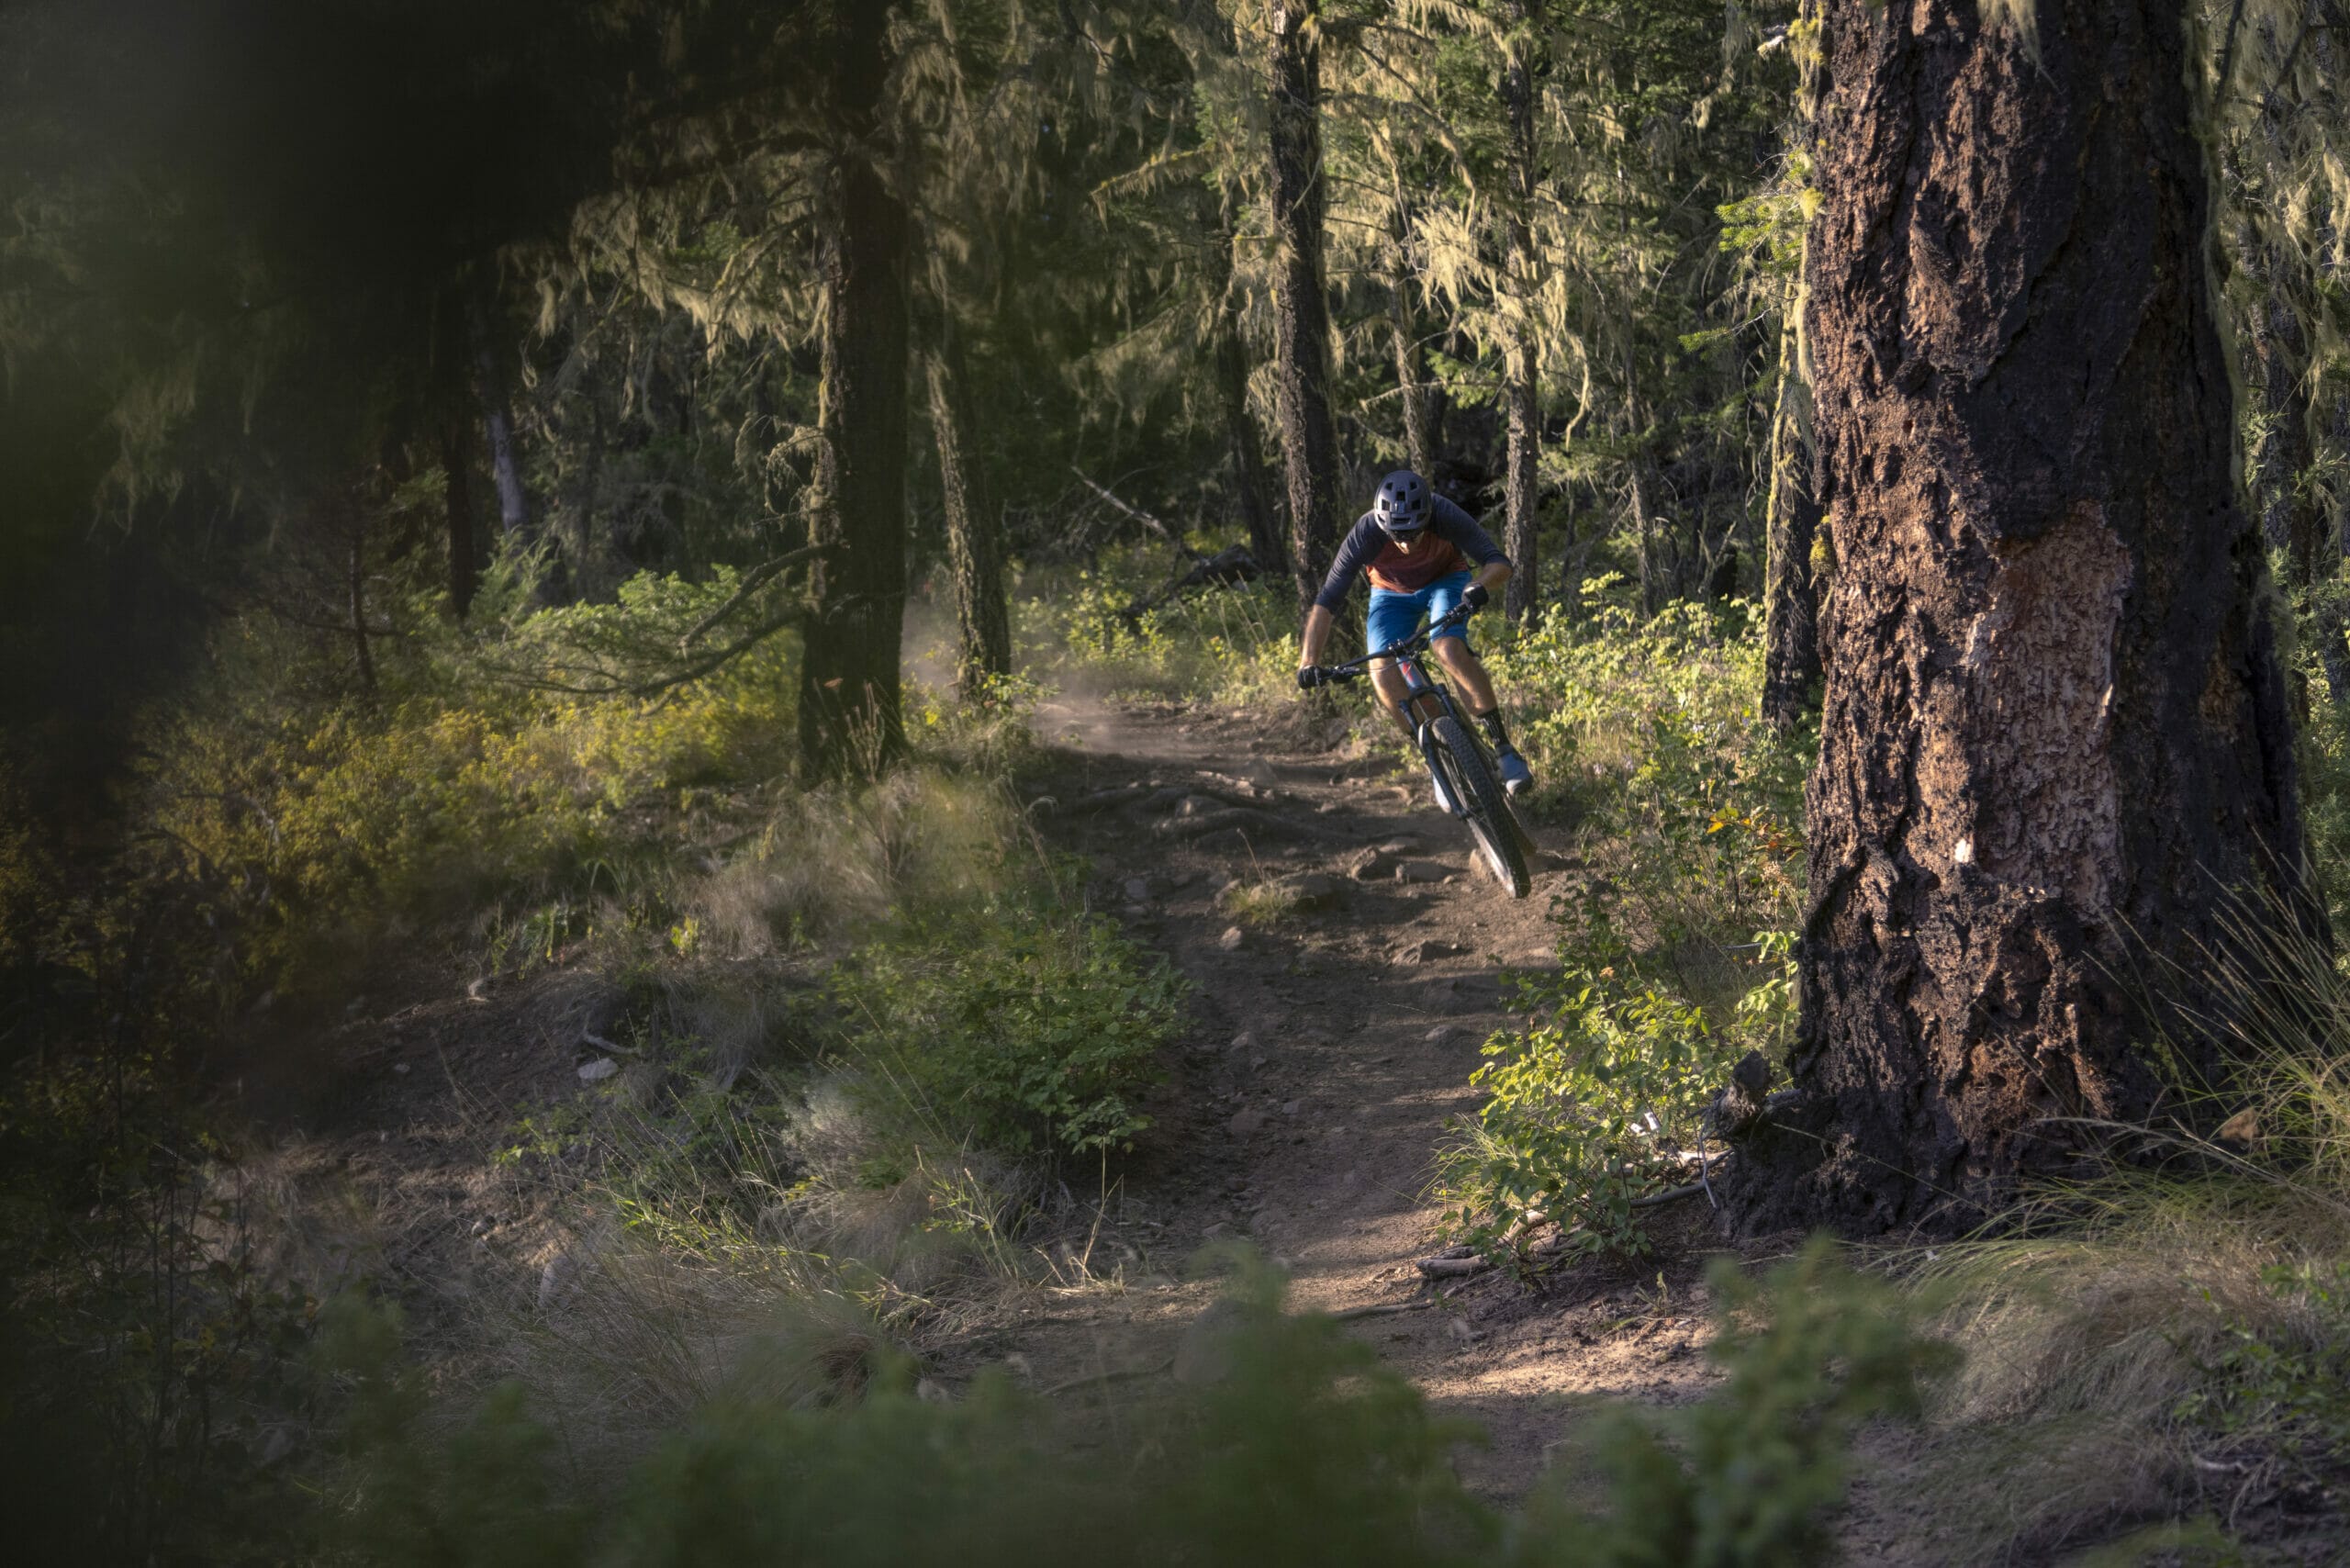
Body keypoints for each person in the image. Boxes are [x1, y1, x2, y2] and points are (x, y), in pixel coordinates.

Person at [1295, 469, 1534, 797]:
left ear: (1427, 519)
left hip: (1446, 581)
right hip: (1390, 596)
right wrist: (1309, 661)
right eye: (1398, 536)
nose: (1406, 544)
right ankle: (1440, 761)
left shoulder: (1444, 513)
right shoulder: (1365, 533)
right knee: (1383, 674)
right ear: (1383, 526)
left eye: (1414, 534)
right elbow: (1326, 603)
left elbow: (1498, 562)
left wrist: (1479, 585)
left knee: (1447, 649)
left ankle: (1504, 749)